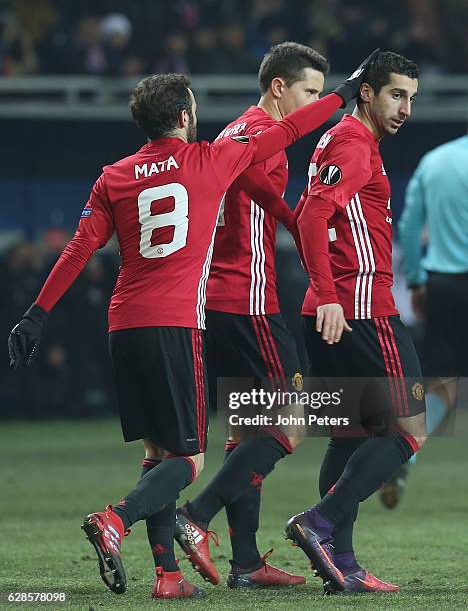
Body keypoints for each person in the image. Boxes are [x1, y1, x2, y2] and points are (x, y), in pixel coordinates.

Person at [7, 57, 375, 600]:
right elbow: (292, 129)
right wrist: (342, 96)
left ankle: (168, 577)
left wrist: (36, 314)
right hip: (176, 323)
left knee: (157, 452)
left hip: (121, 325)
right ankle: (119, 517)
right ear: (183, 116)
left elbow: (81, 246)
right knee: (189, 459)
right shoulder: (211, 159)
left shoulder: (114, 175)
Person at [174, 41, 329, 588]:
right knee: (296, 419)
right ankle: (196, 513)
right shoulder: (257, 135)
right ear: (279, 87)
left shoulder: (231, 134)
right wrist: (294, 221)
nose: (314, 103)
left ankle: (245, 563)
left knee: (247, 430)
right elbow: (259, 189)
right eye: (309, 91)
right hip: (248, 298)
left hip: (216, 298)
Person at [285, 51, 427, 594]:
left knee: (349, 438)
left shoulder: (341, 139)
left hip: (331, 311)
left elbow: (307, 213)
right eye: (396, 94)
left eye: (411, 97)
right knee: (409, 431)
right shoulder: (353, 142)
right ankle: (318, 523)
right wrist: (331, 292)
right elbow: (313, 215)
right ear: (365, 92)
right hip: (362, 311)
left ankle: (342, 562)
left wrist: (323, 294)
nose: (405, 108)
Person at [384, 133, 468, 507]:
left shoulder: (435, 160)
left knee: (441, 384)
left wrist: (416, 281)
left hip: (443, 284)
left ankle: (405, 455)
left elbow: (407, 226)